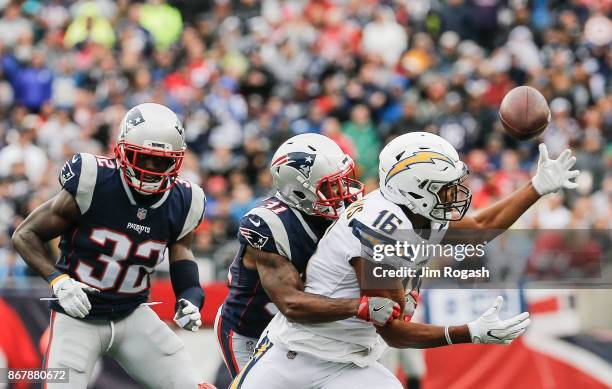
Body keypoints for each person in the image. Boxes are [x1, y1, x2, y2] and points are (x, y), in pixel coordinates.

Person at [231, 132, 579, 388]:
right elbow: (395, 331)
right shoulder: (380, 229)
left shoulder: (416, 212)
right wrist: (468, 332)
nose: (453, 194)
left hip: (351, 364)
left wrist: (537, 186)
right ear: (414, 189)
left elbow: (479, 228)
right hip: (296, 357)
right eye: (443, 187)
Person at [12, 103, 216, 389]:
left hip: (132, 315)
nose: (152, 170)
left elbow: (181, 252)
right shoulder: (93, 180)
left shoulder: (185, 200)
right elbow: (25, 234)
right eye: (143, 158)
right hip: (77, 316)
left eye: (162, 161)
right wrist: (58, 280)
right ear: (121, 150)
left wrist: (190, 297)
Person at [215, 133, 402, 378]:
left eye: (344, 180)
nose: (343, 190)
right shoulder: (270, 224)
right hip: (251, 328)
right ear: (299, 190)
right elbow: (291, 303)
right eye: (332, 185)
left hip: (307, 333)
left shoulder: (345, 212)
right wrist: (359, 307)